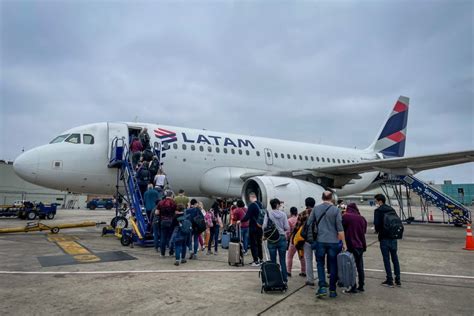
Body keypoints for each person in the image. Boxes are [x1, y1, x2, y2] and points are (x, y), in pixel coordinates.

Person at [307, 191, 346, 299]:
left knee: (320, 264)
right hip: (333, 242)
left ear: (322, 197)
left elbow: (309, 222)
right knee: (333, 265)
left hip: (320, 240)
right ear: (331, 198)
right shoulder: (336, 210)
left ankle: (322, 287)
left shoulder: (316, 209)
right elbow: (340, 228)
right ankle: (332, 290)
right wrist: (344, 243)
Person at [374, 194, 401, 287]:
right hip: (394, 237)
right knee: (395, 258)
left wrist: (378, 231)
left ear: (380, 201)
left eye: (376, 201)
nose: (375, 203)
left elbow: (376, 224)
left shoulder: (378, 211)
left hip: (384, 238)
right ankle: (398, 279)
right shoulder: (391, 209)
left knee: (386, 259)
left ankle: (389, 279)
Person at [263, 198, 290, 284]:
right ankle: (284, 279)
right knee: (282, 260)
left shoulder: (268, 214)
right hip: (281, 237)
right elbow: (287, 227)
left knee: (273, 260)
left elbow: (264, 226)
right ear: (277, 205)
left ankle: (275, 279)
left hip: (272, 239)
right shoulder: (283, 214)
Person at [342, 203, 367, 293]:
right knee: (360, 266)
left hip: (350, 245)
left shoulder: (346, 217)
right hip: (360, 245)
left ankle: (353, 286)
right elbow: (364, 231)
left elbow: (341, 229)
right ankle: (361, 285)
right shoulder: (362, 218)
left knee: (350, 267)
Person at [238, 192, 264, 266]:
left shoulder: (252, 205)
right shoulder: (260, 204)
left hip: (253, 227)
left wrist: (240, 221)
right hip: (260, 227)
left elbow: (247, 217)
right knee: (259, 243)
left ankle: (255, 261)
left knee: (253, 244)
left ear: (251, 197)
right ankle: (261, 259)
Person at [296, 197, 316, 286]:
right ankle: (322, 279)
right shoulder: (317, 213)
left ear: (305, 204)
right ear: (314, 204)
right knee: (320, 260)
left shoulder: (301, 214)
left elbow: (297, 227)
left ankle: (310, 279)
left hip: (306, 239)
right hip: (317, 239)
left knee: (308, 260)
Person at [156, 190, 177, 257]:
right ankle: (171, 252)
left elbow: (156, 212)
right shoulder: (173, 203)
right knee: (171, 237)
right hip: (171, 221)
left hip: (163, 221)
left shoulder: (160, 202)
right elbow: (176, 212)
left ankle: (162, 253)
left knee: (163, 237)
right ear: (171, 196)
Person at [286, 207, 306, 278]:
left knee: (290, 256)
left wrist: (287, 238)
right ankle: (303, 271)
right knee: (302, 256)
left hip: (293, 240)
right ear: (297, 212)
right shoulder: (300, 218)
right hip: (301, 240)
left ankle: (288, 271)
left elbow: (288, 231)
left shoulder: (289, 220)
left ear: (291, 213)